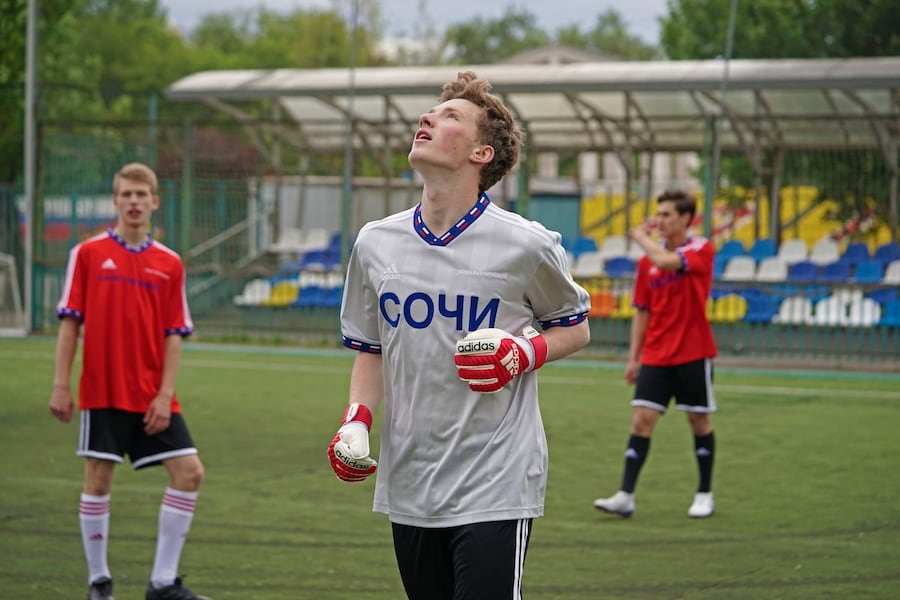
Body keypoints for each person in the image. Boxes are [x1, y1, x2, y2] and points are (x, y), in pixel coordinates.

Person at [326, 71, 591, 600]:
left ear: (482, 154)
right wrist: (356, 422)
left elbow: (574, 326)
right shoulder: (375, 243)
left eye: (450, 116)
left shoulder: (526, 244)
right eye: (431, 111)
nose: (427, 118)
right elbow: (372, 348)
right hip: (409, 477)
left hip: (497, 476)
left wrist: (523, 351)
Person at [49, 162, 210, 600]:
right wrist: (61, 385)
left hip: (153, 397)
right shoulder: (86, 254)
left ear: (155, 202)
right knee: (98, 481)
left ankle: (162, 583)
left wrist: (164, 394)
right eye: (126, 195)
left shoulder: (169, 263)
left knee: (189, 473)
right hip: (102, 392)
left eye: (142, 194)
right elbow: (70, 325)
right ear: (115, 201)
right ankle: (99, 582)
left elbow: (174, 334)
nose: (134, 202)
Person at [593, 189, 718, 519]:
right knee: (642, 420)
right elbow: (642, 311)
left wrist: (639, 238)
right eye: (658, 214)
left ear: (686, 219)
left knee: (698, 420)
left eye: (666, 215)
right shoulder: (648, 263)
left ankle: (704, 493)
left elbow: (666, 260)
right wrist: (634, 357)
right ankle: (626, 495)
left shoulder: (701, 248)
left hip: (693, 351)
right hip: (656, 354)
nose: (660, 220)